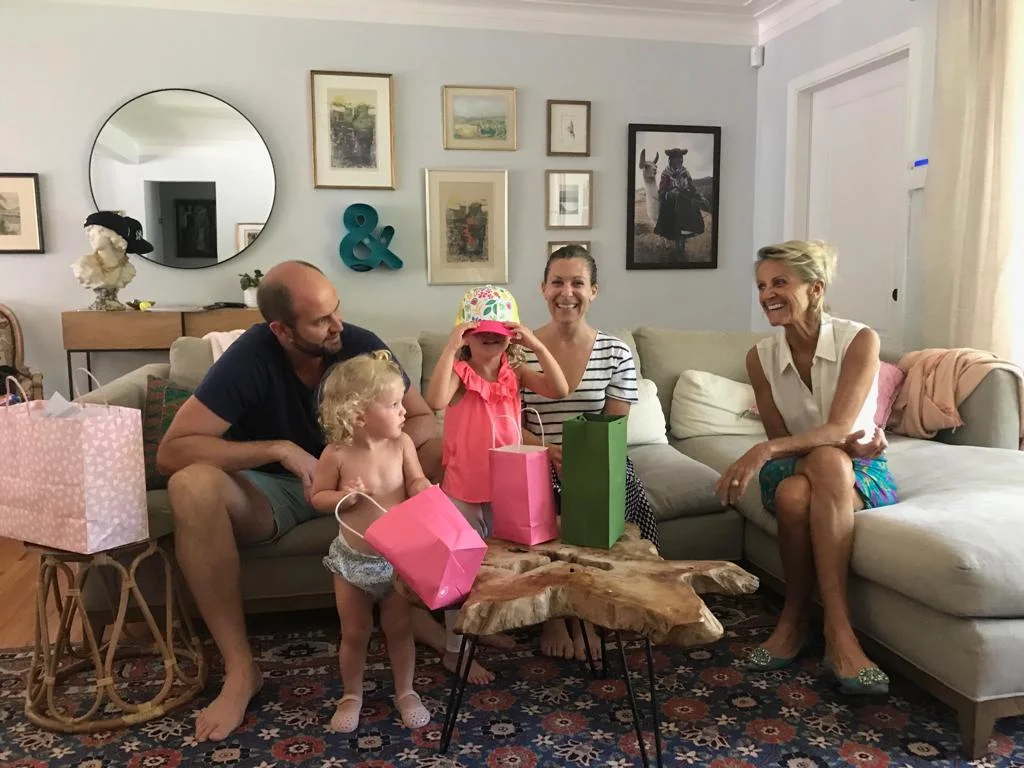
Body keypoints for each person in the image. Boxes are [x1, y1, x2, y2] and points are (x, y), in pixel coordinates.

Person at [155, 260, 449, 742]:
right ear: (281, 329)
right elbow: (172, 452)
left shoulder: (358, 345)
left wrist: (382, 458)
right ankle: (241, 669)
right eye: (320, 320)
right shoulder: (249, 358)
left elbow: (421, 420)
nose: (338, 326)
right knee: (191, 485)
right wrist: (279, 449)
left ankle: (414, 608)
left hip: (361, 493)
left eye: (337, 310)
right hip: (269, 490)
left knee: (439, 450)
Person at [715, 240, 898, 695]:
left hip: (861, 467)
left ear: (815, 288)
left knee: (812, 478)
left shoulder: (860, 340)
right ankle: (835, 632)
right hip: (795, 464)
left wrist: (760, 451)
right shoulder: (759, 358)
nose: (767, 295)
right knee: (815, 468)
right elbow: (783, 440)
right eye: (761, 286)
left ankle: (807, 621)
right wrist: (774, 450)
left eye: (780, 282)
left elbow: (838, 429)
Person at [520, 245, 660, 661]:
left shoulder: (616, 352)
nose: (567, 292)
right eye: (557, 282)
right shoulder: (518, 351)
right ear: (543, 288)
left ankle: (591, 610)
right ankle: (554, 614)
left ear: (593, 291)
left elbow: (613, 428)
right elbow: (505, 422)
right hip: (532, 457)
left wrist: (581, 462)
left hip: (597, 458)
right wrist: (547, 451)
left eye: (577, 283)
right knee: (543, 503)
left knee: (623, 502)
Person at [426, 285, 570, 684]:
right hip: (463, 490)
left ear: (511, 336)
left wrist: (536, 344)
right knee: (459, 571)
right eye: (481, 333)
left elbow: (560, 389)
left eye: (499, 333)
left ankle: (484, 626)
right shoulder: (460, 376)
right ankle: (455, 650)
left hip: (508, 488)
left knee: (497, 567)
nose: (490, 338)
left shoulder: (515, 374)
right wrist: (451, 345)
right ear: (467, 336)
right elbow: (435, 400)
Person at [310, 352, 431, 733]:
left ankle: (406, 691)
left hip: (395, 560)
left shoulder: (402, 444)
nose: (404, 411)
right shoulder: (336, 453)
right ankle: (351, 695)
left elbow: (414, 479)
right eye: (393, 405)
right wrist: (345, 498)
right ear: (359, 415)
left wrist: (422, 487)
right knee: (355, 633)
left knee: (400, 629)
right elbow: (317, 497)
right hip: (352, 563)